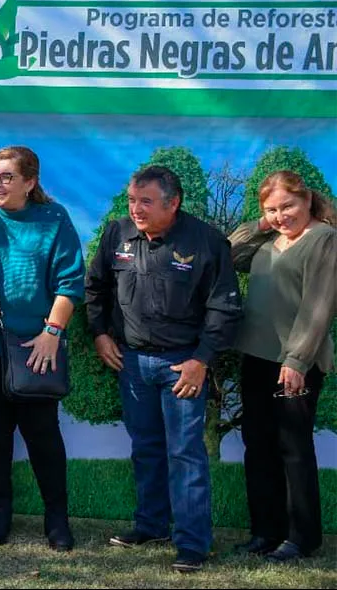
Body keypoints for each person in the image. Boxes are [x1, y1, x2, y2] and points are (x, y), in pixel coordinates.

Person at [85, 165, 242, 574]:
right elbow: (95, 287)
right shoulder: (117, 234)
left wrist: (201, 359)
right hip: (132, 362)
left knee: (186, 455)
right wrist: (101, 334)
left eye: (146, 202)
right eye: (132, 200)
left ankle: (193, 544)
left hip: (183, 365)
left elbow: (224, 306)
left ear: (173, 203)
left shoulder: (206, 241)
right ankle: (152, 526)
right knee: (146, 449)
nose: (136, 209)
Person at [0, 146, 83, 551]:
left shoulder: (54, 218)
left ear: (30, 182)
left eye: (7, 176)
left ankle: (57, 516)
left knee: (42, 433)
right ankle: (0, 510)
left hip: (36, 347)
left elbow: (69, 282)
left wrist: (52, 332)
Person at [228, 170, 336, 563]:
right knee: (258, 447)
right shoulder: (268, 242)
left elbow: (319, 307)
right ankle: (265, 532)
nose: (281, 215)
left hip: (296, 363)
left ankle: (301, 537)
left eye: (287, 206)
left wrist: (297, 361)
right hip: (256, 358)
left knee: (293, 448)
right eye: (271, 209)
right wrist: (260, 224)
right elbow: (226, 254)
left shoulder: (324, 239)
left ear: (306, 200)